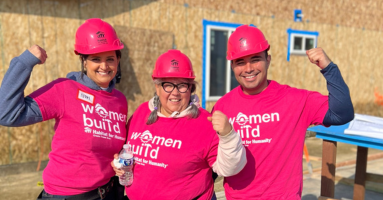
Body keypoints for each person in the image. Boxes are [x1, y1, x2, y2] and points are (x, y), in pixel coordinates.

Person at [212, 25, 354, 199]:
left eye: (255, 59)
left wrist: (329, 68)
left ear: (268, 60)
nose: (248, 68)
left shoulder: (296, 100)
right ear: (232, 66)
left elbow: (342, 114)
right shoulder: (222, 107)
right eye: (240, 62)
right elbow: (212, 159)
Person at [0, 18, 127, 200]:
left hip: (107, 192)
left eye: (110, 59)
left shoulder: (119, 100)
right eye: (95, 59)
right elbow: (6, 114)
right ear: (83, 61)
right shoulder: (64, 90)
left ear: (118, 60)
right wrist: (24, 63)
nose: (104, 66)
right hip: (66, 195)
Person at [111, 49, 247, 200]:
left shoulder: (205, 123)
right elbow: (128, 149)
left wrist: (228, 135)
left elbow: (230, 168)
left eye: (182, 85)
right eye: (167, 85)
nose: (175, 92)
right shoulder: (142, 112)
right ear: (157, 87)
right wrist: (120, 162)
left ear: (190, 88)